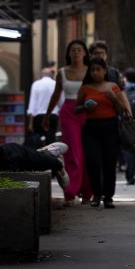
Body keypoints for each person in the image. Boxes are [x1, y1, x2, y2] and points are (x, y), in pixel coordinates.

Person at [78, 57, 132, 209]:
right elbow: (77, 108)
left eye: (98, 69)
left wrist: (114, 99)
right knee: (93, 161)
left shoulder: (112, 87)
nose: (95, 73)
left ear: (105, 71)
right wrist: (84, 108)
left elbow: (122, 110)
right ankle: (96, 194)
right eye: (92, 70)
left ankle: (108, 196)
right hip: (90, 128)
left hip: (110, 127)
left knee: (109, 162)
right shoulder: (85, 88)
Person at [43, 39, 91, 205]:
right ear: (68, 53)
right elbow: (56, 95)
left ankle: (87, 192)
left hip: (87, 111)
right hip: (68, 112)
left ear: (85, 53)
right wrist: (47, 115)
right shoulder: (62, 72)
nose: (76, 52)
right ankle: (70, 192)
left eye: (79, 50)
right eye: (73, 50)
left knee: (86, 152)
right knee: (72, 152)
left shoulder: (91, 71)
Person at [27, 65, 60, 149]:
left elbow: (32, 104)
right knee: (51, 138)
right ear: (51, 75)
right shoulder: (55, 84)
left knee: (38, 139)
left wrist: (30, 123)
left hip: (39, 116)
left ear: (42, 75)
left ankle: (39, 156)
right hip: (53, 115)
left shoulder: (36, 84)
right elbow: (60, 102)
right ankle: (50, 157)